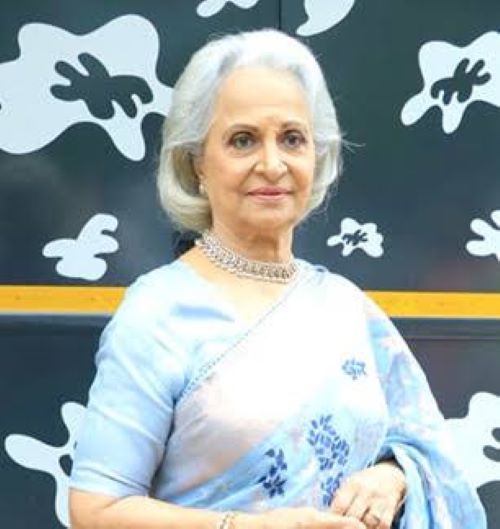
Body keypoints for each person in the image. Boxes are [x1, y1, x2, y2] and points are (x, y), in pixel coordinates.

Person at [69, 29, 486, 529]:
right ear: (197, 162)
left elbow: (426, 451)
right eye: (243, 140)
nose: (272, 164)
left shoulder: (345, 307)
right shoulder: (158, 313)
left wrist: (393, 476)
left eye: (292, 139)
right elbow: (95, 509)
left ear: (316, 155)